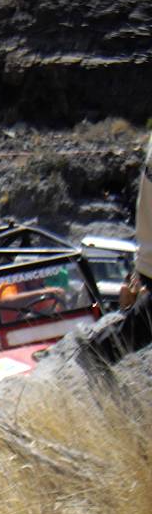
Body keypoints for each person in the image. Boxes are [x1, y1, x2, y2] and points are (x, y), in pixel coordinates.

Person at [83, 133, 152, 364]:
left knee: (137, 327)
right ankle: (93, 360)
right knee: (136, 329)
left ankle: (93, 359)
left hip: (148, 256)